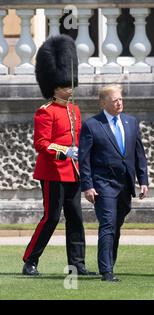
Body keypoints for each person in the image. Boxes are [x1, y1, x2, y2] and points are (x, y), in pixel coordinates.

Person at [22, 35, 95, 277]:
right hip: (52, 172)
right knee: (51, 218)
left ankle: (77, 264)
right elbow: (41, 143)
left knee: (75, 219)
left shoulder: (74, 109)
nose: (70, 88)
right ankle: (30, 260)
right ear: (54, 86)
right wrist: (65, 151)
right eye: (65, 85)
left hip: (72, 172)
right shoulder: (45, 112)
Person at [78, 84, 149, 282]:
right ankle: (106, 271)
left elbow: (139, 154)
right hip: (103, 183)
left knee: (116, 225)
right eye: (114, 100)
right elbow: (84, 159)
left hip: (125, 184)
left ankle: (110, 263)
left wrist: (143, 181)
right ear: (103, 103)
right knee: (107, 224)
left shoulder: (131, 122)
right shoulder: (92, 125)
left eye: (120, 99)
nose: (119, 103)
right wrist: (87, 185)